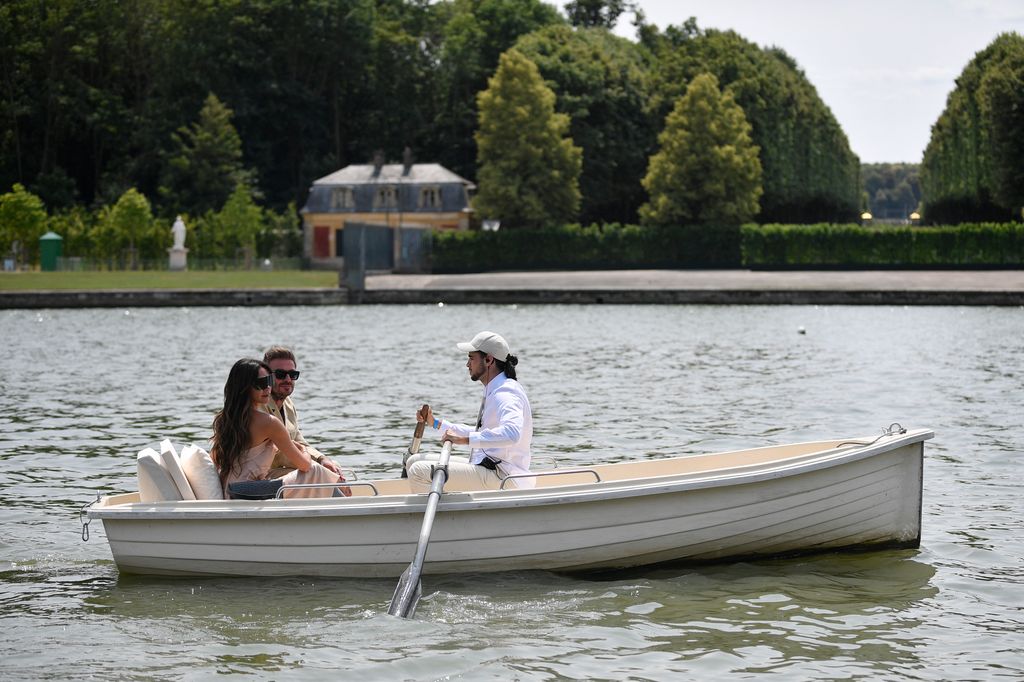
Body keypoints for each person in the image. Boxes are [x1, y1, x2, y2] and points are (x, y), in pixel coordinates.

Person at [408, 331, 533, 492]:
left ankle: (446, 517)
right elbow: (481, 432)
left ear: (488, 360)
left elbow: (511, 434)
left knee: (418, 471)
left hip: (503, 477)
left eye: (471, 358)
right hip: (490, 469)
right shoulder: (495, 388)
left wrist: (465, 439)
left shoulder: (505, 392)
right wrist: (435, 423)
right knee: (414, 460)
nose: (467, 364)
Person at [211, 358, 348, 498]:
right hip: (249, 492)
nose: (267, 388)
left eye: (269, 381)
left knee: (318, 472)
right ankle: (346, 509)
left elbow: (215, 459)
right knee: (315, 470)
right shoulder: (269, 423)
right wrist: (303, 451)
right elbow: (305, 465)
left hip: (231, 489)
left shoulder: (224, 419)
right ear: (244, 387)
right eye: (261, 383)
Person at [259, 346, 342, 478]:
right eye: (280, 374)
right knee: (317, 474)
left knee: (333, 466)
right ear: (267, 376)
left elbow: (298, 440)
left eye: (292, 375)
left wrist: (322, 459)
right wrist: (311, 463)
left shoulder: (288, 404)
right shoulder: (258, 406)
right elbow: (277, 455)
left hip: (283, 472)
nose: (287, 379)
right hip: (261, 475)